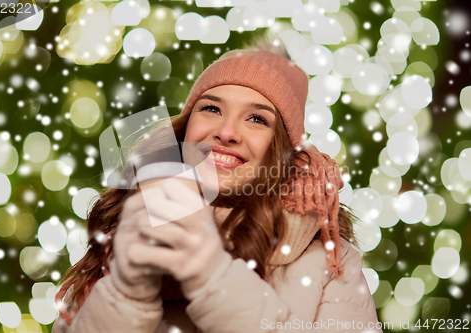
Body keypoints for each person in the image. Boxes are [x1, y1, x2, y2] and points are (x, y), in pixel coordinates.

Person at [52, 40, 383, 333]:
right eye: (211, 108)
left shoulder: (326, 260)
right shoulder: (119, 230)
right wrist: (126, 293)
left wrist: (214, 278)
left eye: (257, 119)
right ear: (184, 131)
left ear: (281, 151)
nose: (226, 132)